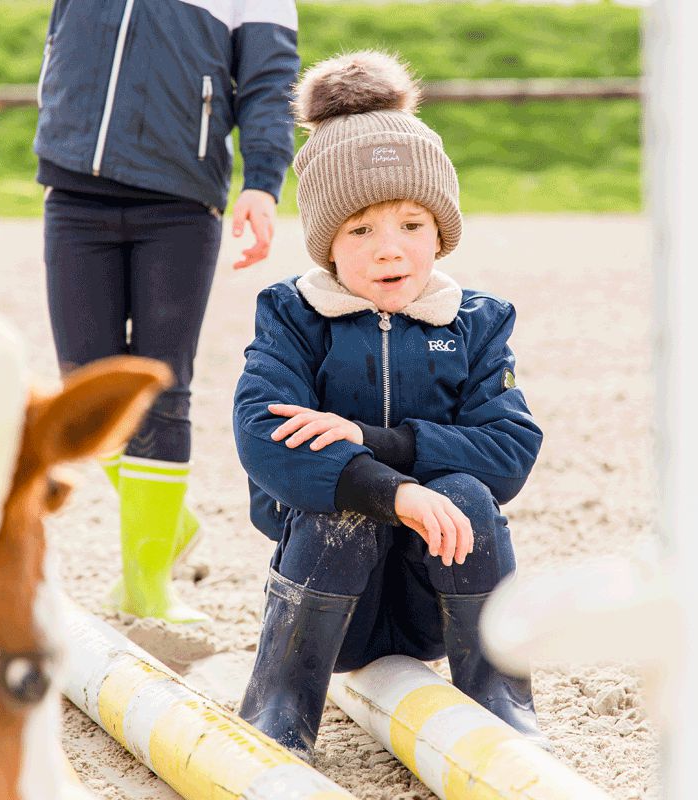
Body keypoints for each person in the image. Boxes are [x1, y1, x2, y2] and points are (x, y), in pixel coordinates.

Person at [232, 50, 550, 761]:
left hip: (435, 598)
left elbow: (510, 448)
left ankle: (499, 697)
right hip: (331, 606)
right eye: (360, 230)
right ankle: (279, 707)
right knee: (333, 504)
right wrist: (389, 492)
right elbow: (264, 433)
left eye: (412, 224)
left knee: (467, 493)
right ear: (325, 244)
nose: (390, 250)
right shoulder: (292, 315)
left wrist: (388, 446)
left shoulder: (476, 320)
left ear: (440, 231)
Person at [33, 1, 300, 623]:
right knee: (87, 386)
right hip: (72, 187)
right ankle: (166, 518)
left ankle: (146, 583)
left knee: (161, 388)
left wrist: (261, 180)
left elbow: (270, 83)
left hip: (179, 202)